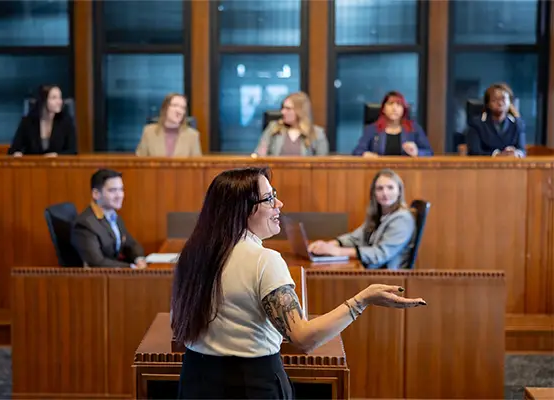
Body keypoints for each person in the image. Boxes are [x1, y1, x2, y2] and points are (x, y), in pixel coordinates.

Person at [171, 166, 426, 399]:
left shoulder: (191, 254)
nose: (279, 204)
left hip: (195, 379)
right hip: (249, 384)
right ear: (244, 208)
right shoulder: (264, 260)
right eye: (269, 198)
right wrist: (361, 300)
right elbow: (303, 339)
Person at [308, 169, 415, 269]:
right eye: (380, 188)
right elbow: (356, 238)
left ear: (399, 191)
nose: (385, 193)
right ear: (374, 193)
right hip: (369, 272)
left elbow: (379, 255)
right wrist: (330, 244)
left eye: (390, 187)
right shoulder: (380, 214)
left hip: (387, 278)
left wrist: (338, 252)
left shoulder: (402, 219)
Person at [71, 169, 146, 268]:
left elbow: (130, 244)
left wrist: (139, 259)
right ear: (96, 194)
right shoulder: (84, 224)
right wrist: (131, 268)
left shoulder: (113, 215)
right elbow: (97, 263)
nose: (119, 195)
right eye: (112, 190)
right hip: (101, 279)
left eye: (121, 189)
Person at [352, 91, 433, 157]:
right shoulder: (372, 129)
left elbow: (429, 152)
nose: (394, 108)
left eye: (398, 104)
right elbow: (357, 151)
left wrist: (417, 152)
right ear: (383, 109)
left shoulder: (414, 128)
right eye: (390, 104)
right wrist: (365, 154)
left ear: (403, 110)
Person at [8, 84, 77, 156]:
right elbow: (13, 149)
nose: (59, 102)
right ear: (43, 100)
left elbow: (72, 151)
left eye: (60, 98)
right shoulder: (28, 122)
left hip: (58, 165)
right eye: (54, 98)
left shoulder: (65, 121)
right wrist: (17, 153)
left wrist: (57, 155)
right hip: (33, 165)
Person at [253, 92, 329, 156]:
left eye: (288, 108)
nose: (283, 112)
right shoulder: (273, 128)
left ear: (300, 111)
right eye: (283, 108)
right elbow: (259, 156)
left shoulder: (317, 133)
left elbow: (322, 165)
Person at [466, 83, 526, 157]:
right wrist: (497, 155)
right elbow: (474, 152)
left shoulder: (517, 123)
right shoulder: (476, 123)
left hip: (510, 166)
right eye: (495, 100)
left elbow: (522, 151)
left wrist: (516, 153)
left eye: (503, 99)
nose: (500, 103)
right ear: (488, 103)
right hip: (484, 166)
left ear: (510, 102)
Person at [135, 93, 202, 157]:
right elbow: (139, 163)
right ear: (165, 108)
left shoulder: (192, 136)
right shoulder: (149, 132)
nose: (179, 111)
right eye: (175, 105)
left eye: (182, 108)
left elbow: (197, 166)